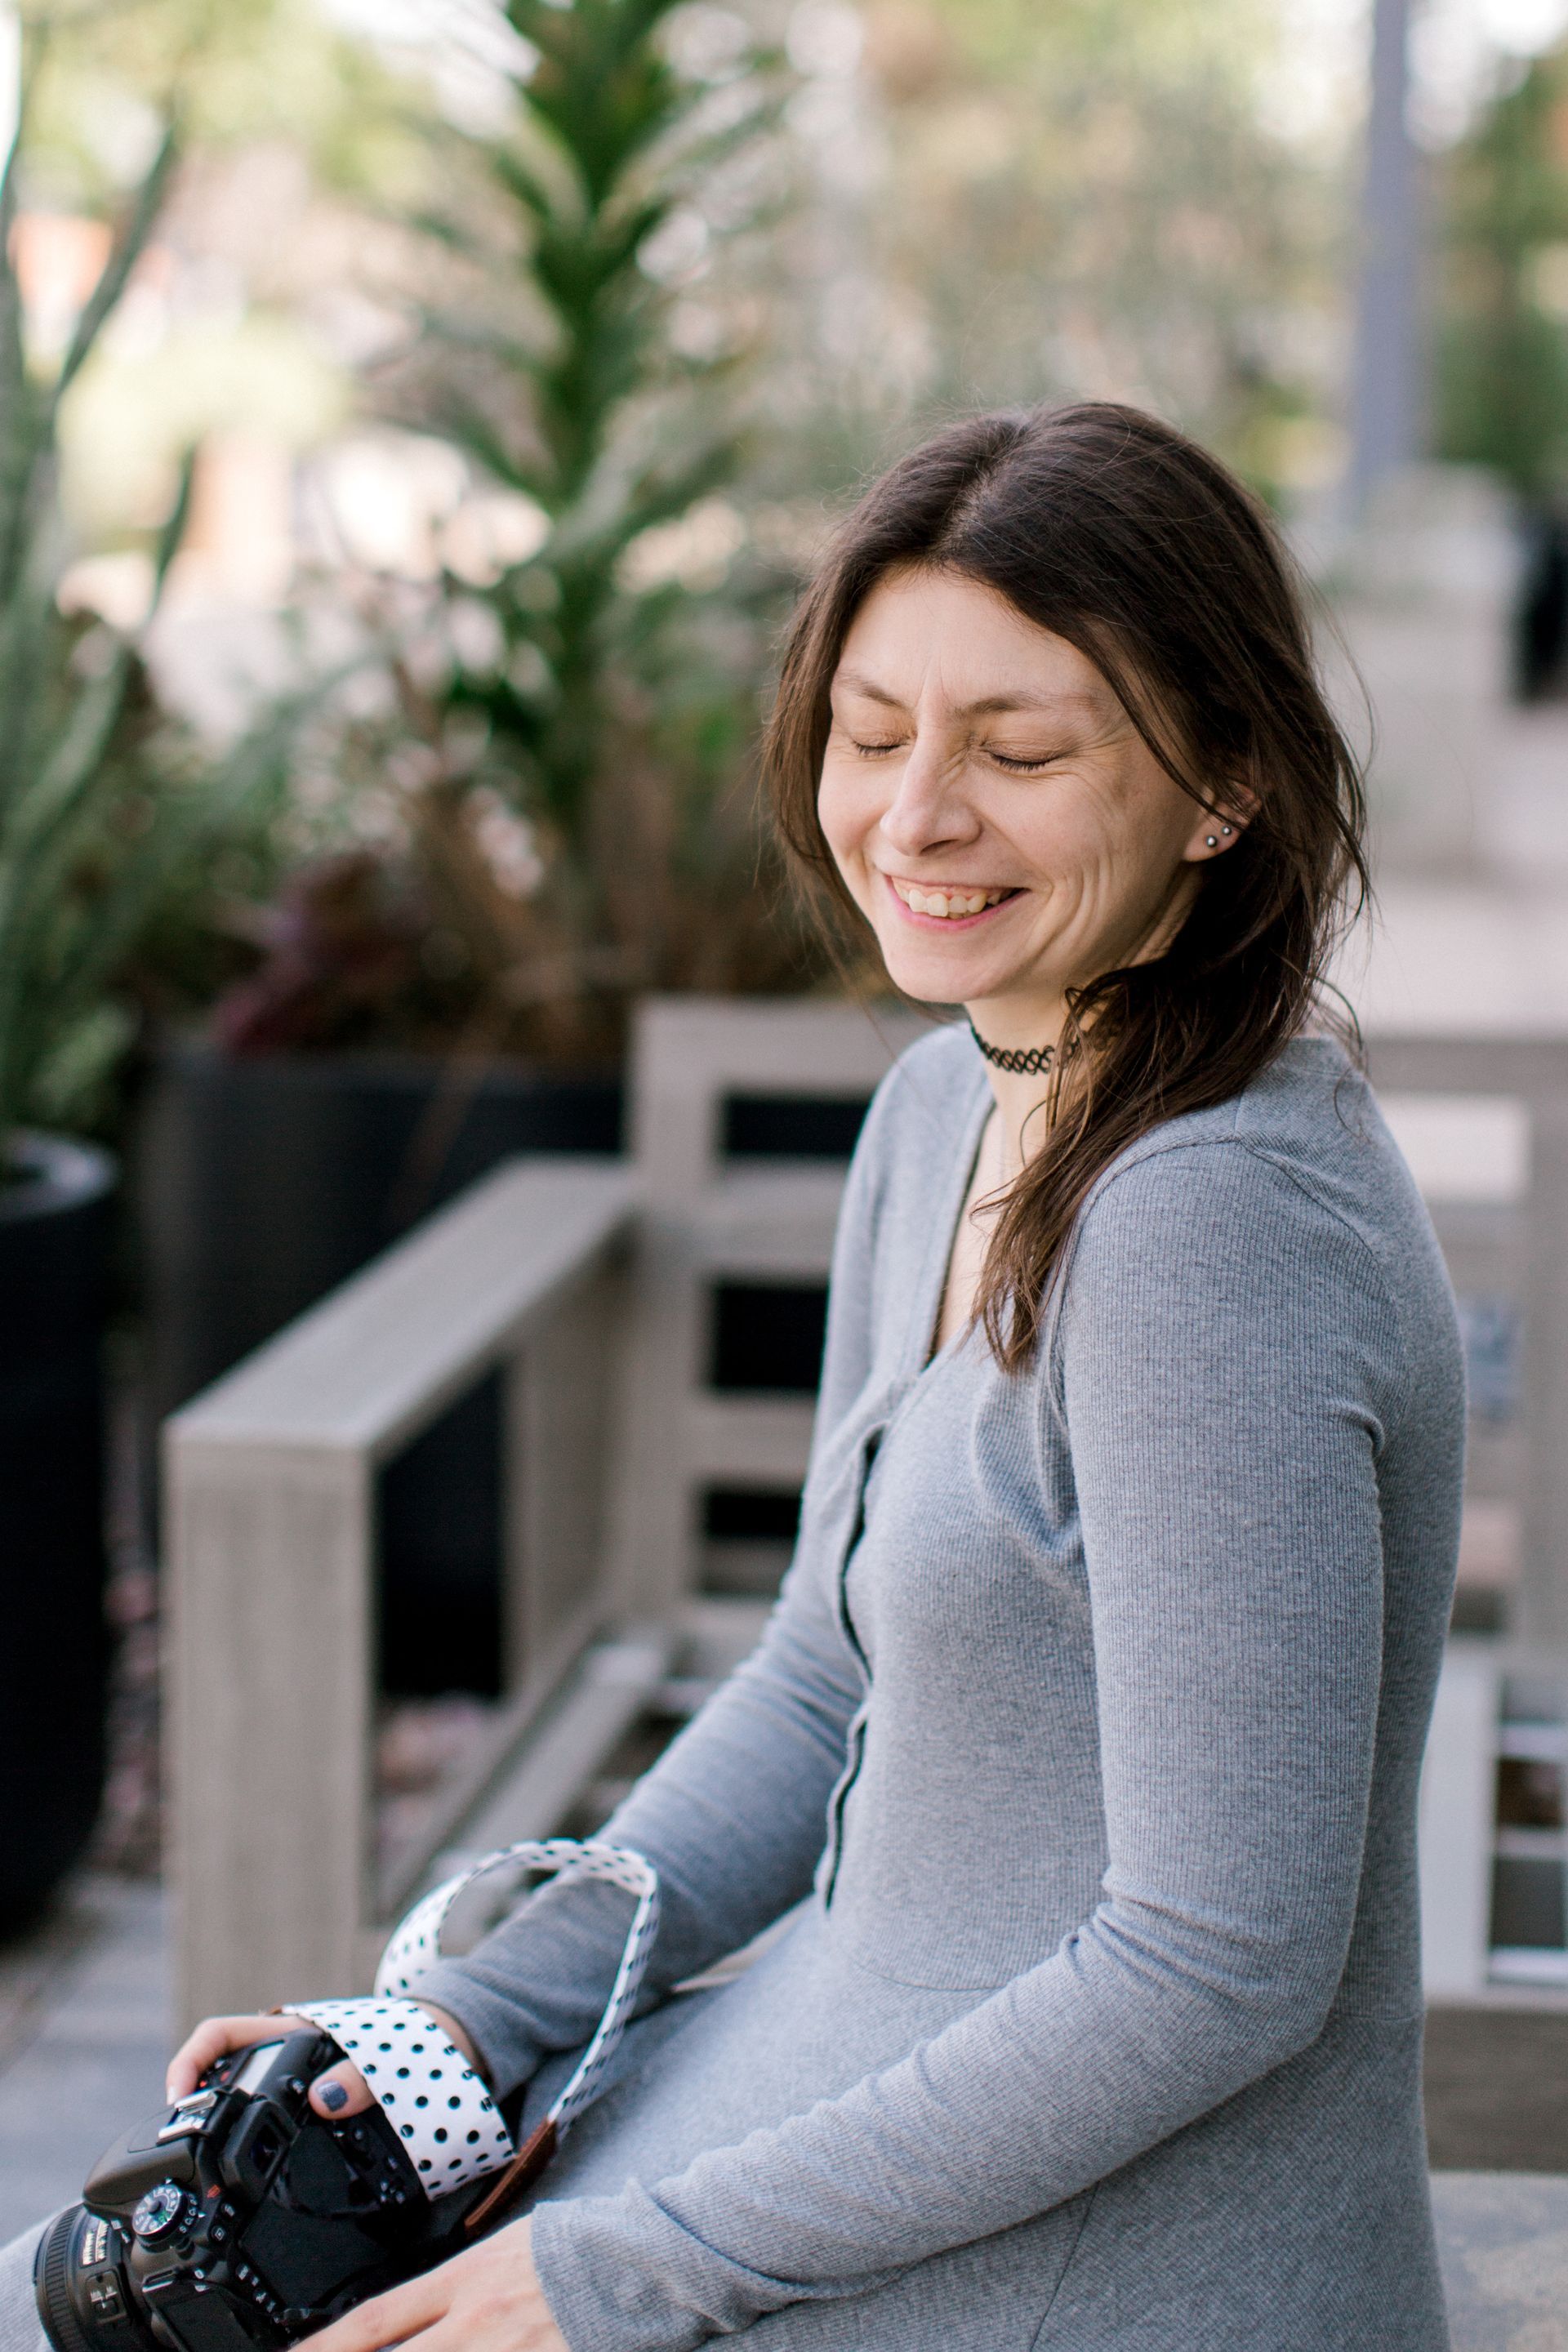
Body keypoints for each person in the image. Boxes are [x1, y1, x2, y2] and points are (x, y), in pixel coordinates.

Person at [1, 403, 1464, 2351]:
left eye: (1020, 750)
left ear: (1225, 786)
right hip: (844, 2095)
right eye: (874, 734)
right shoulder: (958, 1098)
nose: (916, 815)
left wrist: (619, 2267)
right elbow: (817, 1677)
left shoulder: (1216, 1236)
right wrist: (471, 2020)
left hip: (1111, 2259)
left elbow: (1223, 1962)